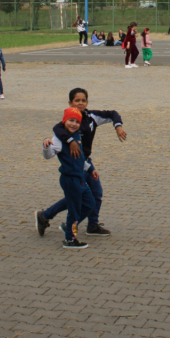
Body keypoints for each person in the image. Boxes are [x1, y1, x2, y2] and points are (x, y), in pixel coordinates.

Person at [36, 88, 127, 239]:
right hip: (73, 167)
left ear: (87, 102)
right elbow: (57, 129)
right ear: (70, 103)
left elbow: (113, 114)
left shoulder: (91, 118)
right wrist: (69, 141)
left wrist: (118, 126)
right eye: (76, 101)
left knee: (92, 194)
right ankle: (62, 225)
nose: (80, 103)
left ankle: (90, 224)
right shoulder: (66, 124)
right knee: (78, 197)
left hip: (85, 163)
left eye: (83, 100)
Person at [40, 107, 97, 249]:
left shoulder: (77, 136)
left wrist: (91, 169)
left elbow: (80, 158)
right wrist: (46, 146)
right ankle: (70, 239)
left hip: (81, 178)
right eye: (71, 120)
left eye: (77, 122)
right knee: (74, 209)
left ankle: (69, 226)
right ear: (64, 121)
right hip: (70, 180)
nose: (74, 124)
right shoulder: (58, 139)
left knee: (90, 203)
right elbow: (48, 156)